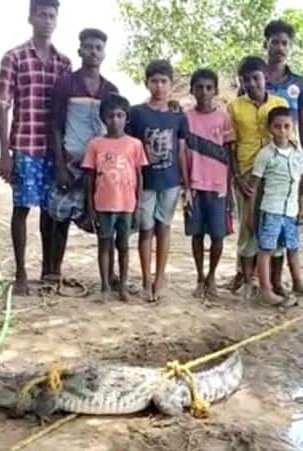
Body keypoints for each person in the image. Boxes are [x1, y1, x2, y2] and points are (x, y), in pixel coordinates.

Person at [0, 0, 71, 295]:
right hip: (25, 146)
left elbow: (67, 110)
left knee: (50, 212)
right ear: (31, 18)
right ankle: (21, 273)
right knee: (22, 208)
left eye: (52, 15)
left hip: (53, 149)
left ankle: (49, 271)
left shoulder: (63, 63)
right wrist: (4, 152)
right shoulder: (13, 57)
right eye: (42, 14)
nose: (47, 20)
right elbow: (3, 105)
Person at [47, 28, 120, 288]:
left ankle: (109, 274)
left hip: (102, 167)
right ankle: (53, 272)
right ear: (80, 51)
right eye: (88, 46)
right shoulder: (66, 83)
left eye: (98, 47)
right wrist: (60, 166)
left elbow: (116, 130)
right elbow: (55, 126)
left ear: (104, 53)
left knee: (106, 218)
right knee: (60, 217)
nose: (93, 51)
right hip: (71, 162)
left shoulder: (110, 90)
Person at [125, 59, 190, 302]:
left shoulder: (178, 116)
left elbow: (182, 151)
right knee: (145, 230)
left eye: (164, 81)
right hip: (145, 183)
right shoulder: (136, 113)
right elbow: (129, 149)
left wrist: (186, 184)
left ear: (171, 84)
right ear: (146, 83)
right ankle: (145, 280)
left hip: (170, 182)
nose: (159, 86)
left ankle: (160, 277)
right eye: (154, 81)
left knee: (164, 228)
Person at [227, 56, 288, 301]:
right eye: (246, 79)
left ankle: (275, 280)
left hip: (275, 177)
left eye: (256, 78)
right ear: (241, 82)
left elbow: (289, 138)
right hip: (246, 174)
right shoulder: (234, 107)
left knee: (274, 226)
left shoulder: (279, 103)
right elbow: (230, 146)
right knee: (247, 226)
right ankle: (245, 277)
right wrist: (236, 177)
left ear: (265, 78)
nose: (252, 83)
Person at [262, 19, 303, 296]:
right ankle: (253, 280)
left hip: (291, 160)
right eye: (275, 42)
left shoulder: (299, 83)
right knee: (261, 219)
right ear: (266, 44)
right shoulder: (256, 77)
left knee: (287, 219)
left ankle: (280, 280)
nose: (280, 48)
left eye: (285, 43)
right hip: (264, 159)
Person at [83, 94, 148, 303]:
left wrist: (138, 206)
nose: (115, 120)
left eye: (120, 115)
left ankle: (122, 287)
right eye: (110, 116)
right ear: (103, 119)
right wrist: (90, 207)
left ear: (126, 118)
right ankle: (104, 287)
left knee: (124, 246)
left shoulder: (134, 144)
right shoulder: (95, 145)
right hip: (103, 204)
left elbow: (139, 176)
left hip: (126, 205)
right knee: (104, 244)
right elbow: (90, 177)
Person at [248, 107, 303, 306]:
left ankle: (298, 282)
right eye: (277, 127)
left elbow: (301, 180)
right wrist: (251, 215)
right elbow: (254, 187)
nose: (282, 131)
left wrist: (302, 207)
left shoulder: (297, 152)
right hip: (272, 210)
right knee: (266, 249)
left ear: (292, 128)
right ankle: (265, 290)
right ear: (270, 129)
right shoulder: (266, 155)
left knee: (292, 247)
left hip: (291, 210)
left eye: (287, 126)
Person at [183, 68, 235, 300]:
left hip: (218, 186)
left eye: (208, 87)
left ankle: (212, 276)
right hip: (195, 185)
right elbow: (182, 152)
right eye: (199, 87)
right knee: (196, 234)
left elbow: (229, 152)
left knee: (217, 235)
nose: (203, 92)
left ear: (215, 90)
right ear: (192, 90)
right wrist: (185, 187)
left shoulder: (223, 117)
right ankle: (199, 277)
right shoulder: (186, 117)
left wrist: (230, 186)